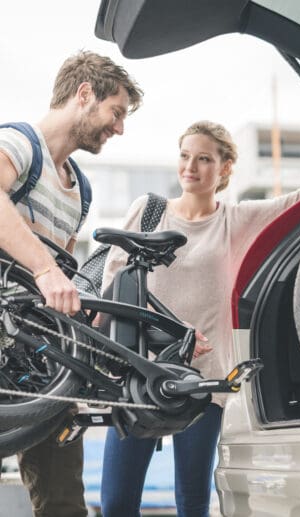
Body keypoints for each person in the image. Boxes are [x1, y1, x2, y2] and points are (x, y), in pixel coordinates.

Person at [99, 75, 300, 517]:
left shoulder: (237, 221)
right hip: (137, 377)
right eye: (185, 156)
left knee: (193, 503)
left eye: (204, 159)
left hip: (202, 383)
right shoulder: (147, 211)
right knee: (116, 503)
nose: (190, 167)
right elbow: (115, 290)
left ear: (225, 168)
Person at [0, 50, 143, 517]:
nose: (119, 128)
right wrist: (44, 269)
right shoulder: (21, 143)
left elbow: (59, 279)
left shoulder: (79, 188)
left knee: (63, 501)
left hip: (37, 363)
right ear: (85, 95)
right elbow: (46, 269)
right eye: (115, 112)